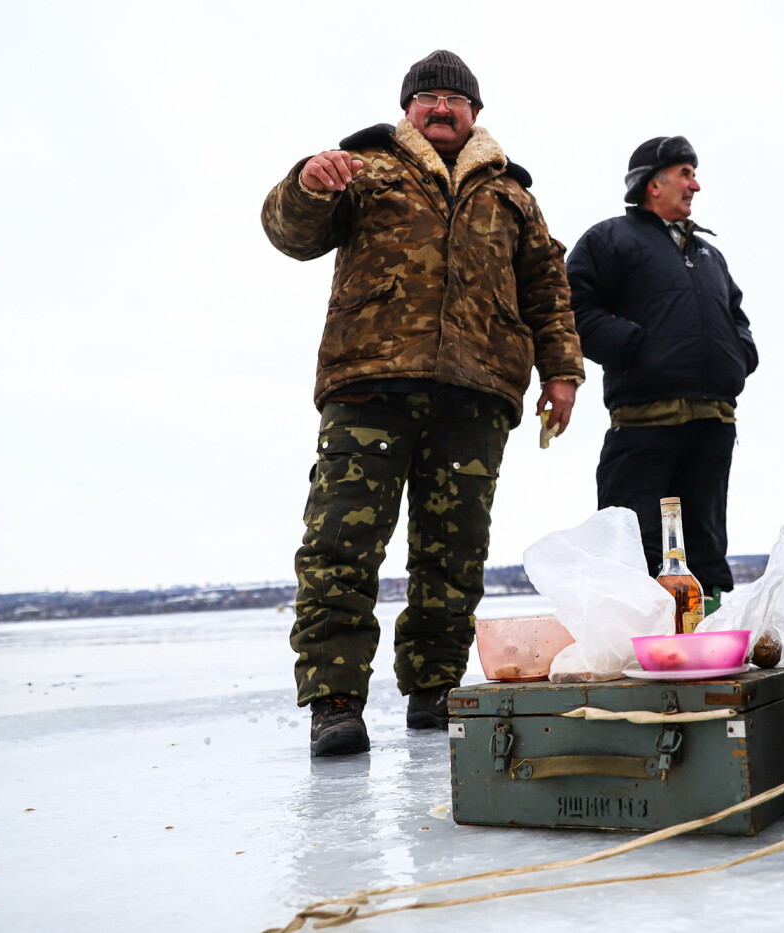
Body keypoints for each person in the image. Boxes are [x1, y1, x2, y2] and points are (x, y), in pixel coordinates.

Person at [262, 50, 584, 756]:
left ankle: (434, 690)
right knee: (340, 544)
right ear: (408, 109)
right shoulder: (363, 165)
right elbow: (291, 233)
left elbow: (548, 292)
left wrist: (562, 374)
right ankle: (335, 701)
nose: (442, 109)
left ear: (475, 113)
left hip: (477, 392)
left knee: (453, 556)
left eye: (455, 101)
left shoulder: (513, 195)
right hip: (370, 381)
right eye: (428, 99)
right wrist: (307, 185)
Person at [566, 136, 757, 605]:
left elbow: (737, 315)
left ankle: (706, 623)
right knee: (633, 540)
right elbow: (571, 306)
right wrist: (633, 346)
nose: (696, 184)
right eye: (686, 173)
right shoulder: (611, 239)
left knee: (707, 541)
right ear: (654, 183)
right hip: (643, 422)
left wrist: (740, 355)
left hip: (714, 420)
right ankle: (632, 644)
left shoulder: (710, 255)